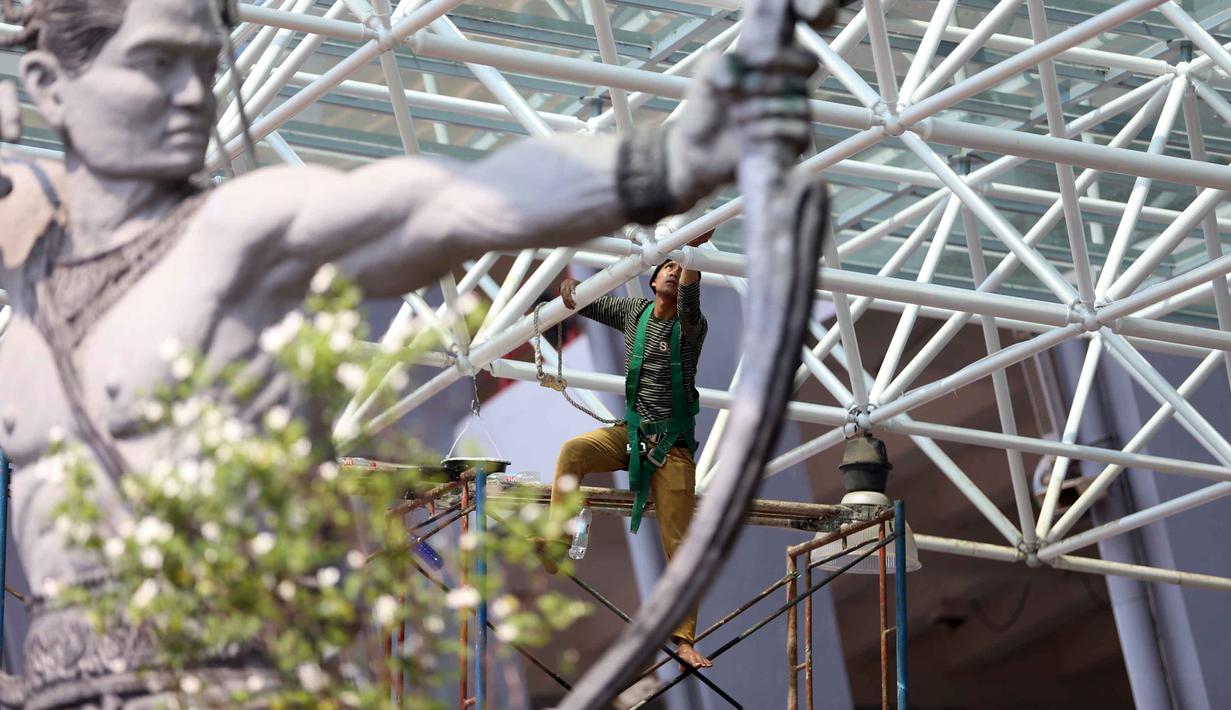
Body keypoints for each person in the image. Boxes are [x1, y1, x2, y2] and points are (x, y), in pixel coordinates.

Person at [0, 0, 814, 701]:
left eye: (200, 67)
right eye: (153, 65)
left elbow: (450, 203)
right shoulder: (26, 242)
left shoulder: (235, 233)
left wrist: (662, 163)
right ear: (47, 87)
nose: (188, 97)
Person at [543, 228, 713, 668]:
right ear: (653, 279)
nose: (674, 273)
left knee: (680, 544)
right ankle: (557, 540)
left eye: (680, 271)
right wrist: (567, 288)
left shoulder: (690, 325)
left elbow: (691, 271)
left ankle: (684, 638)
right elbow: (586, 299)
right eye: (667, 268)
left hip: (672, 448)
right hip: (631, 434)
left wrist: (694, 235)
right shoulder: (634, 312)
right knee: (573, 452)